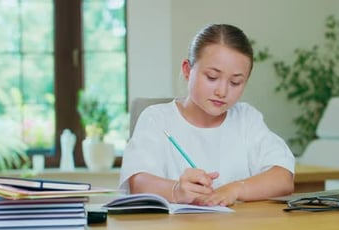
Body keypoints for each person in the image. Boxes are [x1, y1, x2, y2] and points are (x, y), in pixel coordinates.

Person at [119, 23, 295, 207]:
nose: (222, 91)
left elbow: (283, 178)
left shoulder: (247, 119)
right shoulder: (156, 119)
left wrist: (235, 189)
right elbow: (138, 183)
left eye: (235, 82)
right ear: (187, 70)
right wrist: (176, 190)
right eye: (212, 77)